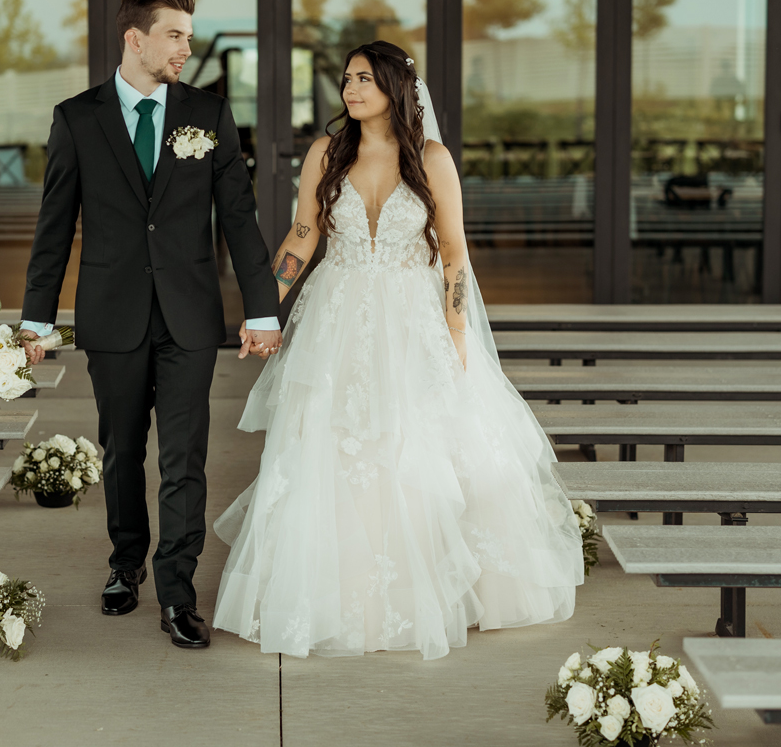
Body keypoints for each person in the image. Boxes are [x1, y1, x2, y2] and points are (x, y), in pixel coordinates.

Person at [212, 40, 583, 660]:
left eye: (362, 79)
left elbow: (456, 253)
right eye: (346, 79)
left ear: (392, 86)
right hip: (338, 320)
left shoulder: (431, 159)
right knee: (334, 445)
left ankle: (426, 586)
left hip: (414, 323)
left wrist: (456, 334)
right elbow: (302, 237)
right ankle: (341, 587)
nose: (350, 90)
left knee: (417, 445)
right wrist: (262, 306)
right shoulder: (326, 154)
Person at [18, 0, 282, 650]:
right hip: (113, 315)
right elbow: (55, 228)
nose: (186, 49)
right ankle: (125, 561)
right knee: (122, 452)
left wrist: (262, 310)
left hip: (191, 316)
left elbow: (242, 221)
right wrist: (38, 320)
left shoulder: (209, 114)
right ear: (134, 38)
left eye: (189, 36)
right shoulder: (77, 119)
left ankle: (176, 592)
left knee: (185, 459)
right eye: (175, 35)